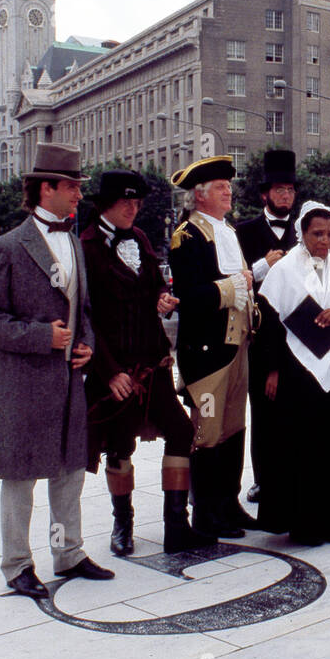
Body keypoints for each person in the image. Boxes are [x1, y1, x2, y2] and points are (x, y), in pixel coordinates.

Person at [0, 142, 114, 599]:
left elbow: (85, 310)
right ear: (46, 188)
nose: (79, 195)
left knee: (69, 472)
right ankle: (16, 564)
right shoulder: (7, 247)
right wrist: (42, 336)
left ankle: (68, 553)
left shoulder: (73, 241)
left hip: (69, 382)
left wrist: (85, 343)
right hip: (24, 385)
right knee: (20, 476)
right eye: (72, 187)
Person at [80, 170, 212, 554]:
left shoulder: (138, 239)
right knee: (119, 447)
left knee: (183, 431)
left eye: (138, 203)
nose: (133, 210)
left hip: (152, 364)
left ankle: (176, 526)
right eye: (126, 203)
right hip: (116, 370)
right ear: (105, 204)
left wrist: (162, 298)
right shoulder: (85, 246)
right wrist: (108, 371)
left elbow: (155, 282)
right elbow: (84, 318)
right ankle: (123, 525)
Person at [256, 203, 330, 545]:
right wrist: (271, 369)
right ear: (302, 233)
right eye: (317, 233)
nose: (324, 240)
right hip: (295, 369)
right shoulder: (285, 269)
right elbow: (269, 323)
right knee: (302, 448)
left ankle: (328, 518)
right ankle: (302, 522)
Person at [168, 156, 258, 538]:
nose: (229, 192)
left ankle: (227, 502)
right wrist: (230, 289)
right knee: (207, 433)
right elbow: (188, 296)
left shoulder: (227, 230)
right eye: (221, 187)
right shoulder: (187, 236)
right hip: (206, 353)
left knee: (234, 428)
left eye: (228, 186)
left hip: (237, 347)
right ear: (200, 195)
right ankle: (205, 511)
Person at [235, 149, 298, 504]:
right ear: (265, 194)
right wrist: (264, 265)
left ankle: (291, 473)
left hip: (298, 335)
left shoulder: (305, 230)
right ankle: (262, 477)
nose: (285, 196)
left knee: (293, 408)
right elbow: (234, 280)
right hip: (259, 337)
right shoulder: (243, 232)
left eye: (290, 190)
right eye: (279, 190)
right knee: (262, 410)